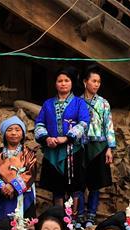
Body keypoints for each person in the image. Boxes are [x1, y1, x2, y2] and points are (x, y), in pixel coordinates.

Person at [34, 66, 90, 204]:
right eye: (60, 81)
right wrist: (46, 138)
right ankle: (58, 217)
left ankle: (73, 220)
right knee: (56, 187)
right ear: (55, 84)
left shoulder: (79, 103)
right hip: (53, 151)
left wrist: (67, 137)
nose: (63, 83)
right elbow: (39, 124)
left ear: (72, 83)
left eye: (66, 80)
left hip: (73, 151)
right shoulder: (48, 104)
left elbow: (84, 123)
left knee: (75, 186)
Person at [77, 65, 117, 227]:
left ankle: (91, 216)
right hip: (80, 146)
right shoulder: (77, 102)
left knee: (95, 183)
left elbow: (109, 125)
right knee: (79, 183)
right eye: (93, 81)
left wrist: (110, 148)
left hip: (99, 146)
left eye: (98, 82)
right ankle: (78, 215)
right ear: (85, 82)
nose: (96, 84)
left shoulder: (103, 103)